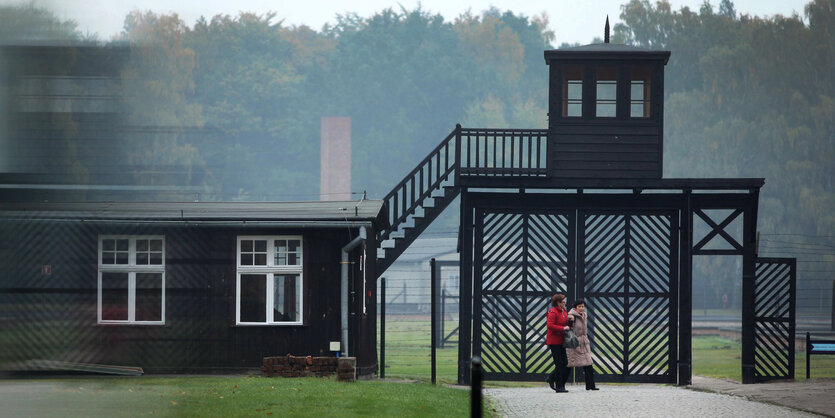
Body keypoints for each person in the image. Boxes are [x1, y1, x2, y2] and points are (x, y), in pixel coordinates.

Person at [566, 299, 598, 390]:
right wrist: (570, 321)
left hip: (584, 343)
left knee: (588, 364)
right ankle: (553, 379)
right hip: (574, 343)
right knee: (569, 364)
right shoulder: (571, 316)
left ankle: (591, 386)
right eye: (579, 306)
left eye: (583, 306)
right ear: (575, 308)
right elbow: (567, 327)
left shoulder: (584, 315)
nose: (581, 308)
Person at [545, 293, 570, 393]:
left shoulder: (564, 311)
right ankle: (559, 386)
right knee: (559, 364)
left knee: (566, 363)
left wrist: (570, 322)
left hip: (562, 341)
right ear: (558, 303)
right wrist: (562, 328)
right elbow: (550, 325)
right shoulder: (553, 312)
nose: (565, 303)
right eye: (563, 302)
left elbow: (566, 324)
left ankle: (551, 378)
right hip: (554, 341)